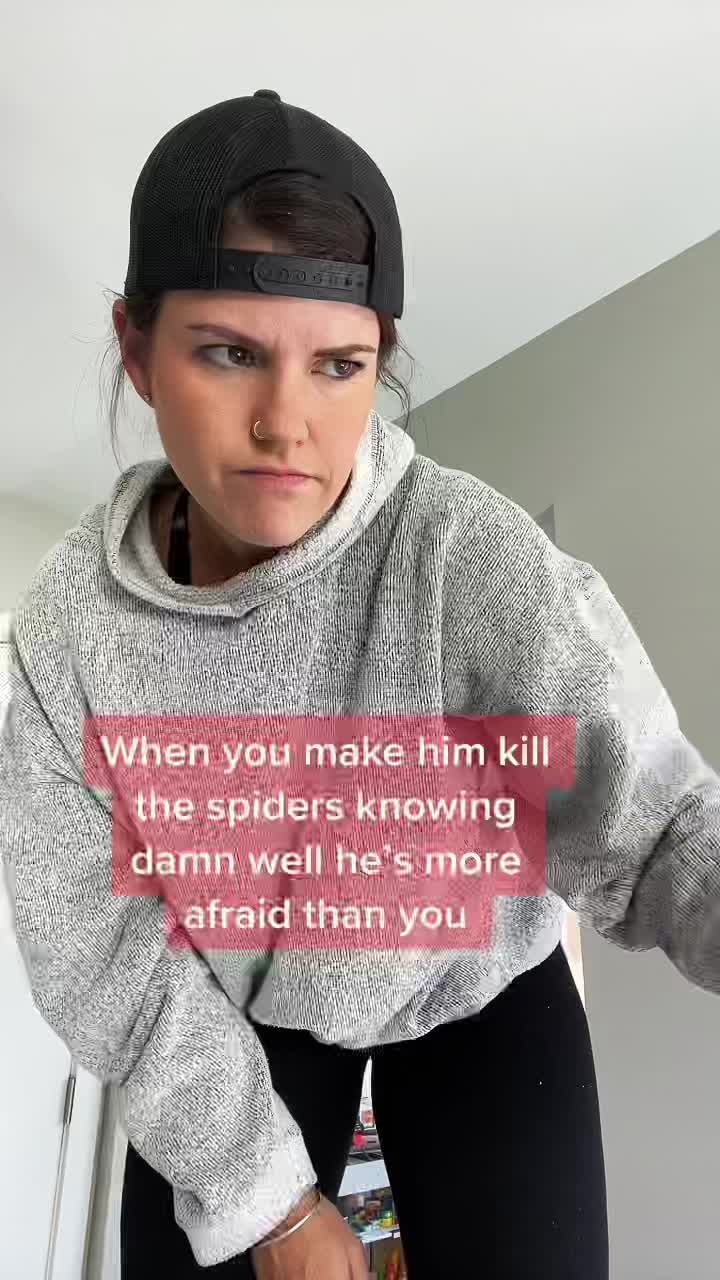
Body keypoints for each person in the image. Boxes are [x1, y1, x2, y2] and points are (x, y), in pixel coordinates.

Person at [1, 89, 718, 1280]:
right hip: (236, 1003)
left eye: (340, 365)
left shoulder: (468, 557)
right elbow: (103, 950)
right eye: (229, 352)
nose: (287, 423)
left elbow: (656, 823)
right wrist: (273, 1206)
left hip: (481, 985)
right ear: (135, 347)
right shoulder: (69, 639)